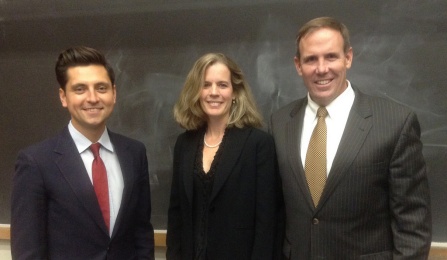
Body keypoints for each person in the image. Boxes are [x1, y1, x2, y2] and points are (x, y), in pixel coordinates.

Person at [270, 17, 431, 259]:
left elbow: (413, 225)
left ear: (348, 57)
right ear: (298, 65)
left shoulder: (395, 123)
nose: (321, 68)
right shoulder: (280, 123)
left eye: (331, 56)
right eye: (311, 59)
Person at [11, 46, 154, 260]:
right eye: (80, 89)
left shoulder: (134, 153)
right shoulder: (36, 162)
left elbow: (141, 232)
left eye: (101, 88)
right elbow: (28, 251)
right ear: (63, 97)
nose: (93, 98)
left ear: (114, 93)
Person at [166, 53, 282, 259]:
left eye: (222, 85)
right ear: (196, 91)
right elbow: (176, 216)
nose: (213, 92)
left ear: (235, 92)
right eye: (206, 85)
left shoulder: (258, 144)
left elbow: (267, 223)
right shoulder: (184, 144)